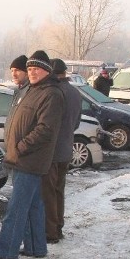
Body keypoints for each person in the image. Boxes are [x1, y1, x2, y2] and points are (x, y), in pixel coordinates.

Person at [0, 50, 64, 259]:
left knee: (17, 208)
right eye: (29, 69)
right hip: (22, 157)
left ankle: (6, 250)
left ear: (47, 70)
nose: (32, 72)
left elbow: (45, 129)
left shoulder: (51, 94)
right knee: (33, 206)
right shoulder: (32, 90)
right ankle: (36, 247)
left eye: (36, 69)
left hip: (29, 159)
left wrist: (20, 147)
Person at [42, 59, 82, 244]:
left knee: (48, 192)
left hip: (51, 151)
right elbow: (76, 123)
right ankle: (58, 226)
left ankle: (50, 231)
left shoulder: (54, 92)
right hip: (67, 148)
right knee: (58, 190)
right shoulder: (75, 92)